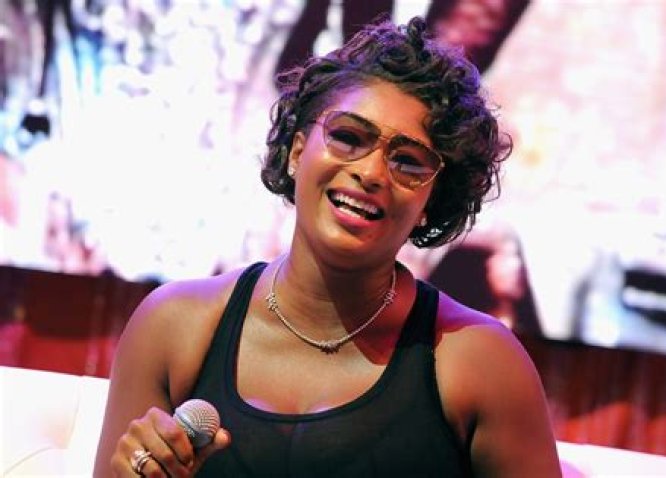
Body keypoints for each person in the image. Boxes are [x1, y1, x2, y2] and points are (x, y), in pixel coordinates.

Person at [94, 15, 561, 477]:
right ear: (297, 153)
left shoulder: (481, 363)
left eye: (407, 161)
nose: (371, 173)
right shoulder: (173, 326)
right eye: (348, 137)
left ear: (431, 202)